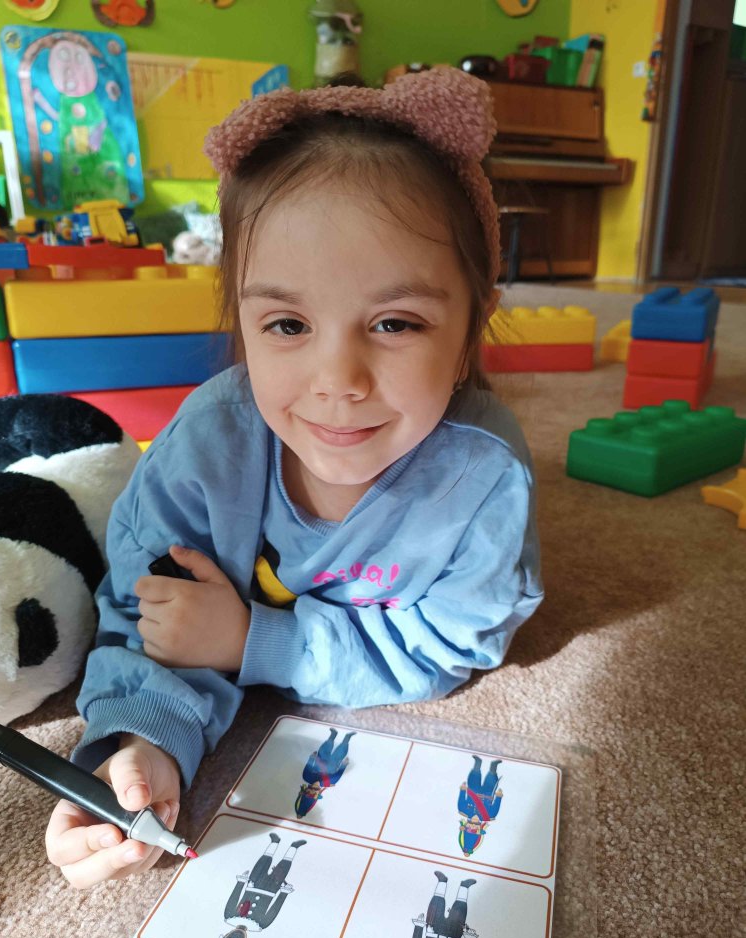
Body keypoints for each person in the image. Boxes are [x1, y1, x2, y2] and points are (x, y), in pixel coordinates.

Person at [45, 66, 543, 888]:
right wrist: (146, 741)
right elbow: (149, 614)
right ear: (239, 319)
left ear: (470, 330)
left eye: (395, 323)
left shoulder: (481, 483)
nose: (337, 380)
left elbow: (453, 643)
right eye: (287, 324)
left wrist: (255, 641)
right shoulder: (205, 448)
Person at [294, 727, 355, 817]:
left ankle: (333, 735)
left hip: (320, 761)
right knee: (340, 752)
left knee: (324, 750)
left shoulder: (307, 777)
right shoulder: (328, 782)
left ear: (307, 789)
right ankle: (347, 737)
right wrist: (343, 765)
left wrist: (312, 758)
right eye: (315, 791)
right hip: (333, 764)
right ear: (318, 792)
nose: (313, 789)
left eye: (310, 790)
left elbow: (308, 767)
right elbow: (338, 774)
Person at [457, 755, 504, 856]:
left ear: (466, 826)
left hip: (473, 790)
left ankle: (477, 763)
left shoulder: (464, 810)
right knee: (491, 779)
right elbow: (495, 807)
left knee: (474, 777)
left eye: (470, 827)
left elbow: (461, 800)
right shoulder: (489, 816)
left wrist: (463, 790)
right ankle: (493, 766)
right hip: (488, 794)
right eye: (475, 828)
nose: (473, 825)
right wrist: (498, 797)